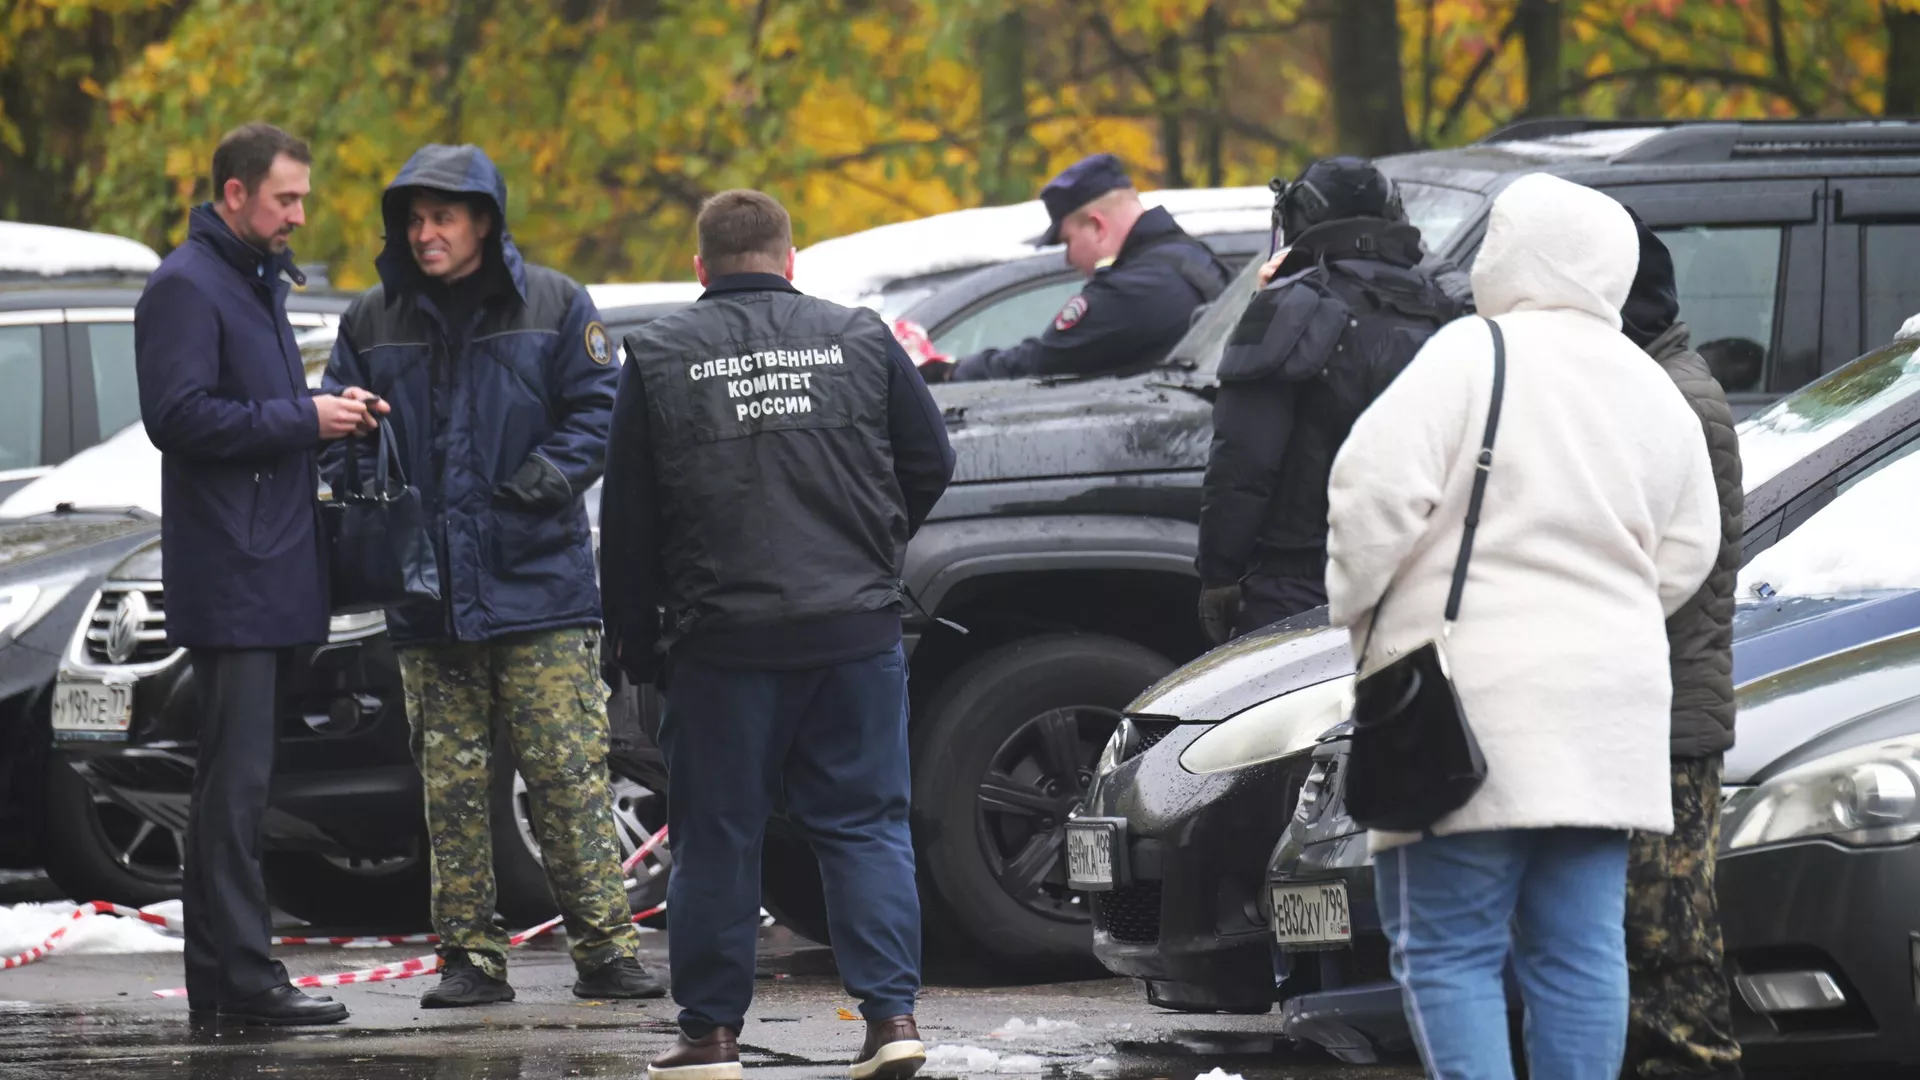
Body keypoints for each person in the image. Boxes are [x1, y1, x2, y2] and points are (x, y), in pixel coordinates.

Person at [1323, 172, 1721, 1079]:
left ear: (1509, 255)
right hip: (1610, 712)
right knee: (1581, 955)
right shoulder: (1652, 384)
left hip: (1471, 705)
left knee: (1448, 949)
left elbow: (1370, 496)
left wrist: (1362, 614)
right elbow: (1690, 547)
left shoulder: (1472, 354)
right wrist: (1610, 616)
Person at [601, 190, 954, 1080]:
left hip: (722, 641)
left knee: (719, 836)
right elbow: (931, 461)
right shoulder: (862, 337)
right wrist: (872, 546)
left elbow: (631, 523)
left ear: (700, 268)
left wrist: (634, 646)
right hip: (853, 630)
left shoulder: (660, 354)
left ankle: (713, 1037)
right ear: (791, 261)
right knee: (867, 825)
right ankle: (892, 1021)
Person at [322, 143, 662, 1008]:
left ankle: (607, 952)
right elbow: (338, 437)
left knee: (565, 774)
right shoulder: (371, 318)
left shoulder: (554, 303)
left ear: (484, 220)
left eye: (441, 216)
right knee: (451, 787)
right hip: (426, 596)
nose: (423, 232)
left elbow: (601, 408)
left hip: (538, 587)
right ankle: (470, 959)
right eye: (413, 217)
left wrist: (538, 486)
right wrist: (357, 464)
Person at [135, 122, 382, 1026]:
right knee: (233, 793)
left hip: (271, 567)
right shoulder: (186, 285)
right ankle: (242, 981)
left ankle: (229, 983)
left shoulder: (249, 280)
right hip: (235, 575)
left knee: (241, 789)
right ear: (234, 194)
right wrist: (302, 419)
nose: (299, 215)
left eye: (303, 198)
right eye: (286, 199)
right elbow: (180, 417)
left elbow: (260, 415)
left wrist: (331, 416)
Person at [1195, 157, 1460, 644]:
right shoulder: (1443, 306)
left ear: (1300, 217)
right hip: (1422, 574)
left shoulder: (1287, 305)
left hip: (1303, 582)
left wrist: (1219, 573)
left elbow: (1243, 461)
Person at [1619, 210, 1746, 1080]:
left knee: (1672, 939)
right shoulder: (1652, 385)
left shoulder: (1671, 400)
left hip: (1671, 713)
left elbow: (1668, 570)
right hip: (1658, 703)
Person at [922, 153, 1230, 382]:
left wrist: (950, 372)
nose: (1069, 258)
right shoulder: (1193, 259)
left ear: (1097, 226)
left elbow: (1043, 362)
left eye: (1068, 241)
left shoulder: (1131, 289)